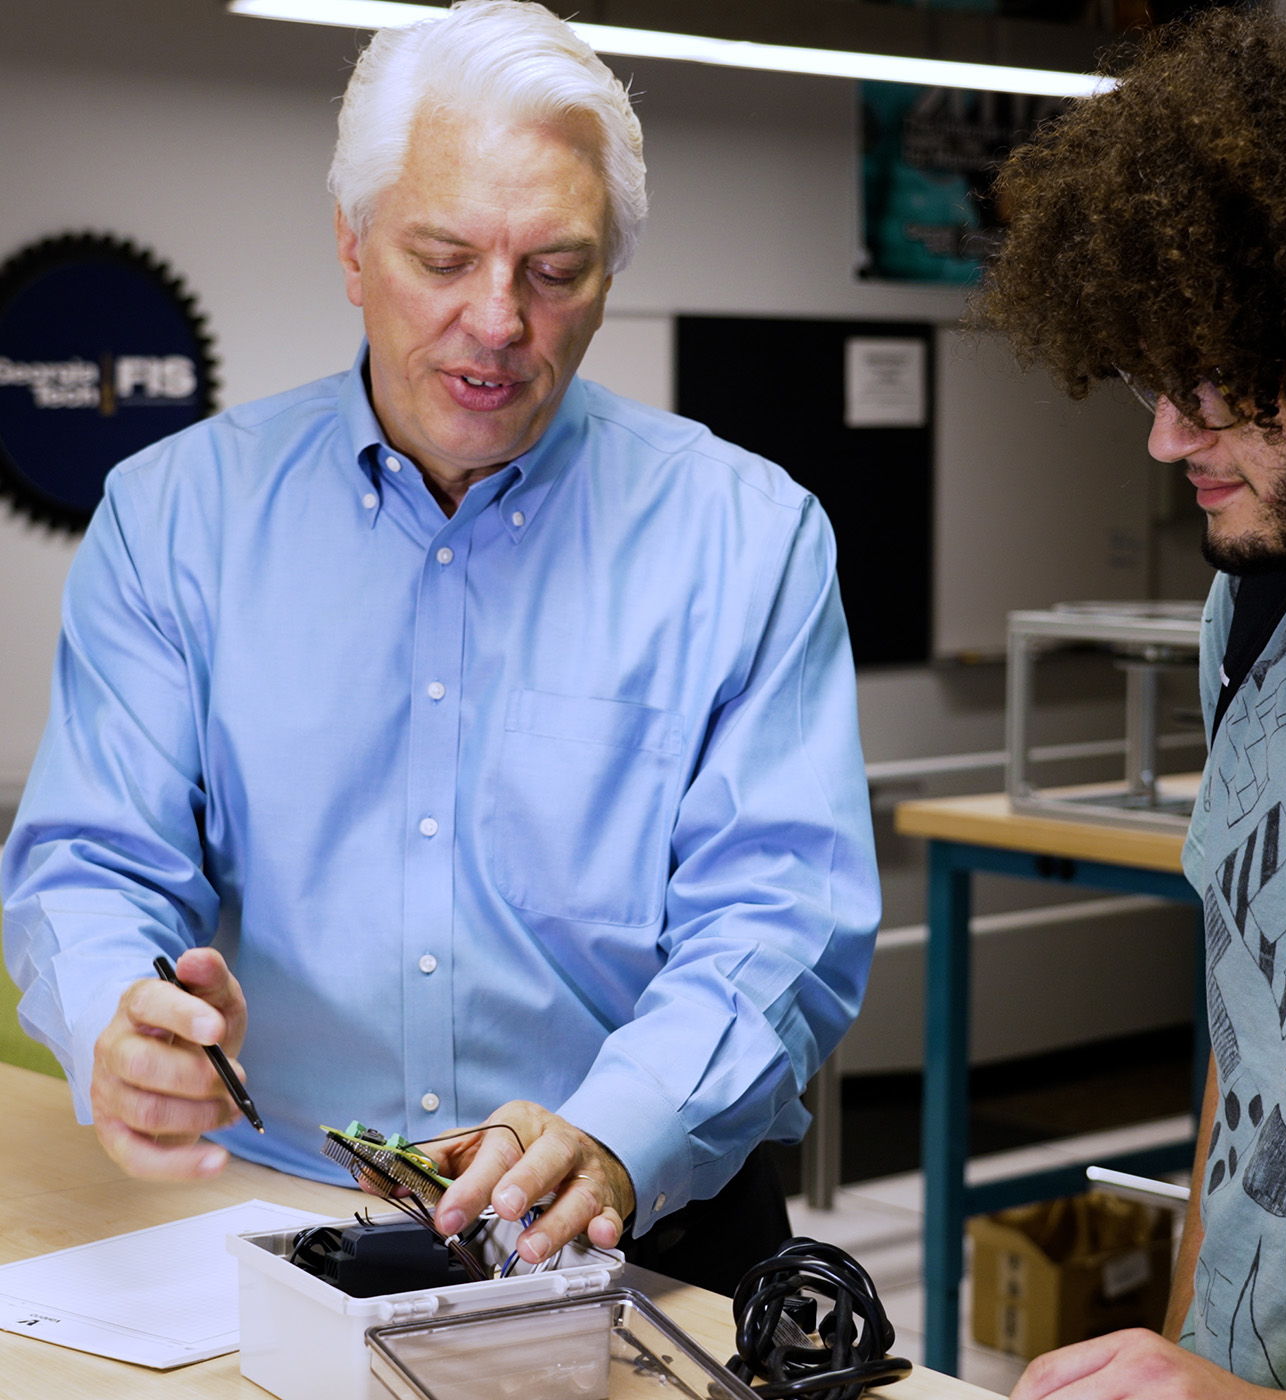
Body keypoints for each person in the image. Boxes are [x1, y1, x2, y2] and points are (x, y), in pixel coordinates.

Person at [0, 0, 879, 1295]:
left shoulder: (747, 539)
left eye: (555, 269)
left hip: (646, 1238)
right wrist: (115, 1014)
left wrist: (617, 1135)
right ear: (352, 248)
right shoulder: (176, 518)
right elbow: (90, 856)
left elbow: (781, 919)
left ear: (610, 273)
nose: (497, 321)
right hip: (277, 1227)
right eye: (443, 256)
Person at [976, 0, 1286, 1393]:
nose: (1166, 437)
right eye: (1155, 380)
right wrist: (1177, 1344)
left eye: (1214, 385)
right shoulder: (1259, 607)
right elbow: (1250, 1030)